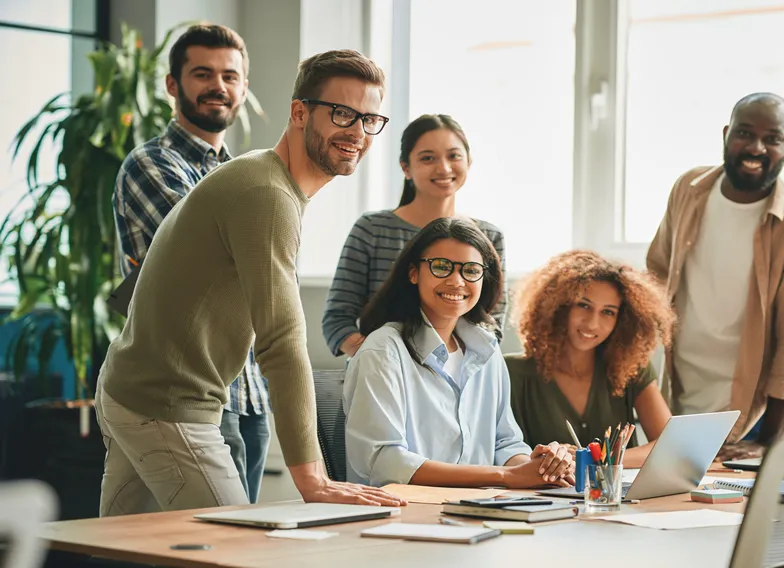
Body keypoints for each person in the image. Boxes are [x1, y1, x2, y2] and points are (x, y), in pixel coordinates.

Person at [95, 48, 404, 516]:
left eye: (369, 119)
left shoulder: (266, 177)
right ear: (299, 113)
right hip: (168, 403)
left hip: (131, 390)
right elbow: (281, 337)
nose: (357, 132)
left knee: (120, 551)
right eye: (343, 113)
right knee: (238, 553)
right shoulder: (267, 193)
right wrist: (312, 476)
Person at [112, 24, 271, 505]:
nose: (218, 86)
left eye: (230, 76)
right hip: (186, 392)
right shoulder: (152, 165)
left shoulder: (237, 174)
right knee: (227, 546)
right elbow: (221, 258)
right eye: (203, 74)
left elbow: (261, 266)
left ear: (243, 87)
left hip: (247, 393)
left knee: (157, 541)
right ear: (172, 85)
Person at [646, 92, 784, 461]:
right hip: (677, 396)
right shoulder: (689, 189)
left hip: (750, 416)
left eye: (772, 139)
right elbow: (656, 273)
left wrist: (768, 443)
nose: (756, 147)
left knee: (728, 515)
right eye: (745, 133)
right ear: (726, 134)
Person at [343, 217, 573, 488]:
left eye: (471, 270)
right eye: (441, 267)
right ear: (413, 273)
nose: (457, 280)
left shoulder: (486, 350)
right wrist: (504, 476)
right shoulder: (384, 351)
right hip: (406, 513)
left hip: (480, 509)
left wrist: (539, 468)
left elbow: (505, 442)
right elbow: (384, 461)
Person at [322, 114, 507, 358]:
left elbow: (491, 327)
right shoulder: (371, 229)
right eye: (428, 158)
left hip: (458, 377)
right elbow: (337, 321)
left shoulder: (489, 236)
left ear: (469, 162)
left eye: (454, 156)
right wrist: (382, 359)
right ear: (405, 168)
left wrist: (446, 365)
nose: (444, 168)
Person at [506, 251, 675, 469]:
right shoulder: (512, 373)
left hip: (621, 498)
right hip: (547, 498)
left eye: (608, 312)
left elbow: (669, 445)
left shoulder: (632, 368)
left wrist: (594, 457)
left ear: (622, 320)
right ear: (559, 306)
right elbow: (503, 453)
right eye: (583, 305)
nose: (593, 323)